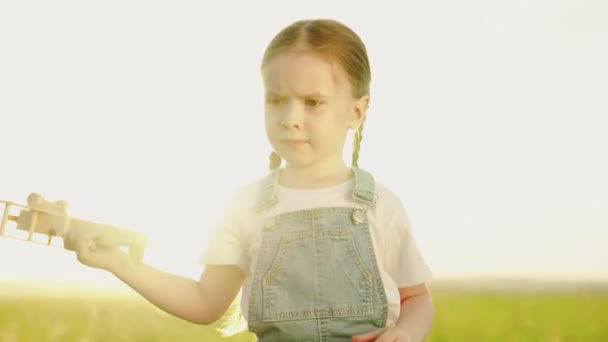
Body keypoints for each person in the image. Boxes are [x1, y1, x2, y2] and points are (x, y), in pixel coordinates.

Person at [66, 18, 434, 342]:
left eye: (312, 102)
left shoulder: (380, 205)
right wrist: (121, 263)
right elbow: (205, 302)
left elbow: (415, 298)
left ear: (357, 110)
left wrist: (406, 332)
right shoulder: (245, 206)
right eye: (276, 100)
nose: (290, 117)